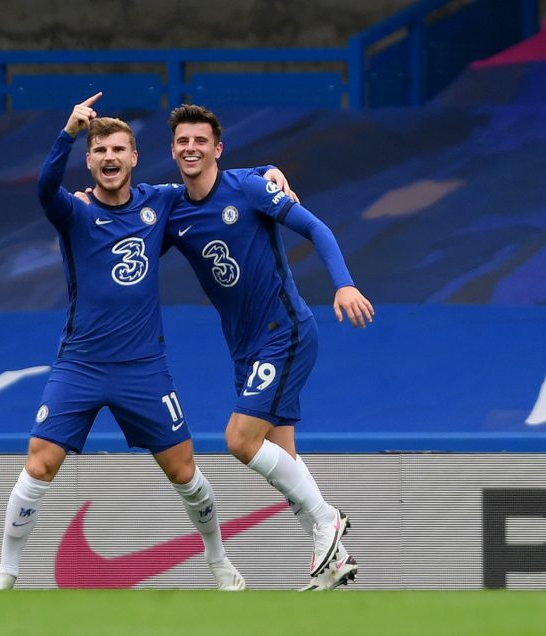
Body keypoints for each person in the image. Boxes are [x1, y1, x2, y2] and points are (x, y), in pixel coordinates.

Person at [0, 93, 254, 591]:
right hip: (80, 365)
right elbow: (45, 189)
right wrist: (66, 132)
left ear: (133, 158)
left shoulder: (160, 202)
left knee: (184, 471)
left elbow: (208, 179)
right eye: (100, 150)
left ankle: (219, 563)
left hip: (144, 368)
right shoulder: (74, 211)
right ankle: (7, 572)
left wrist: (269, 170)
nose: (109, 158)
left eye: (118, 150)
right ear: (89, 161)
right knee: (39, 461)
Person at [164, 103, 374, 591]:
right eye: (182, 141)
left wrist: (342, 284)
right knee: (283, 461)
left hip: (286, 332)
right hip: (245, 347)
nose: (190, 148)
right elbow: (131, 210)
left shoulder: (250, 189)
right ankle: (335, 562)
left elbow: (316, 228)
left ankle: (327, 520)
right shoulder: (174, 208)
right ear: (173, 150)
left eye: (200, 141)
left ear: (218, 148)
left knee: (240, 440)